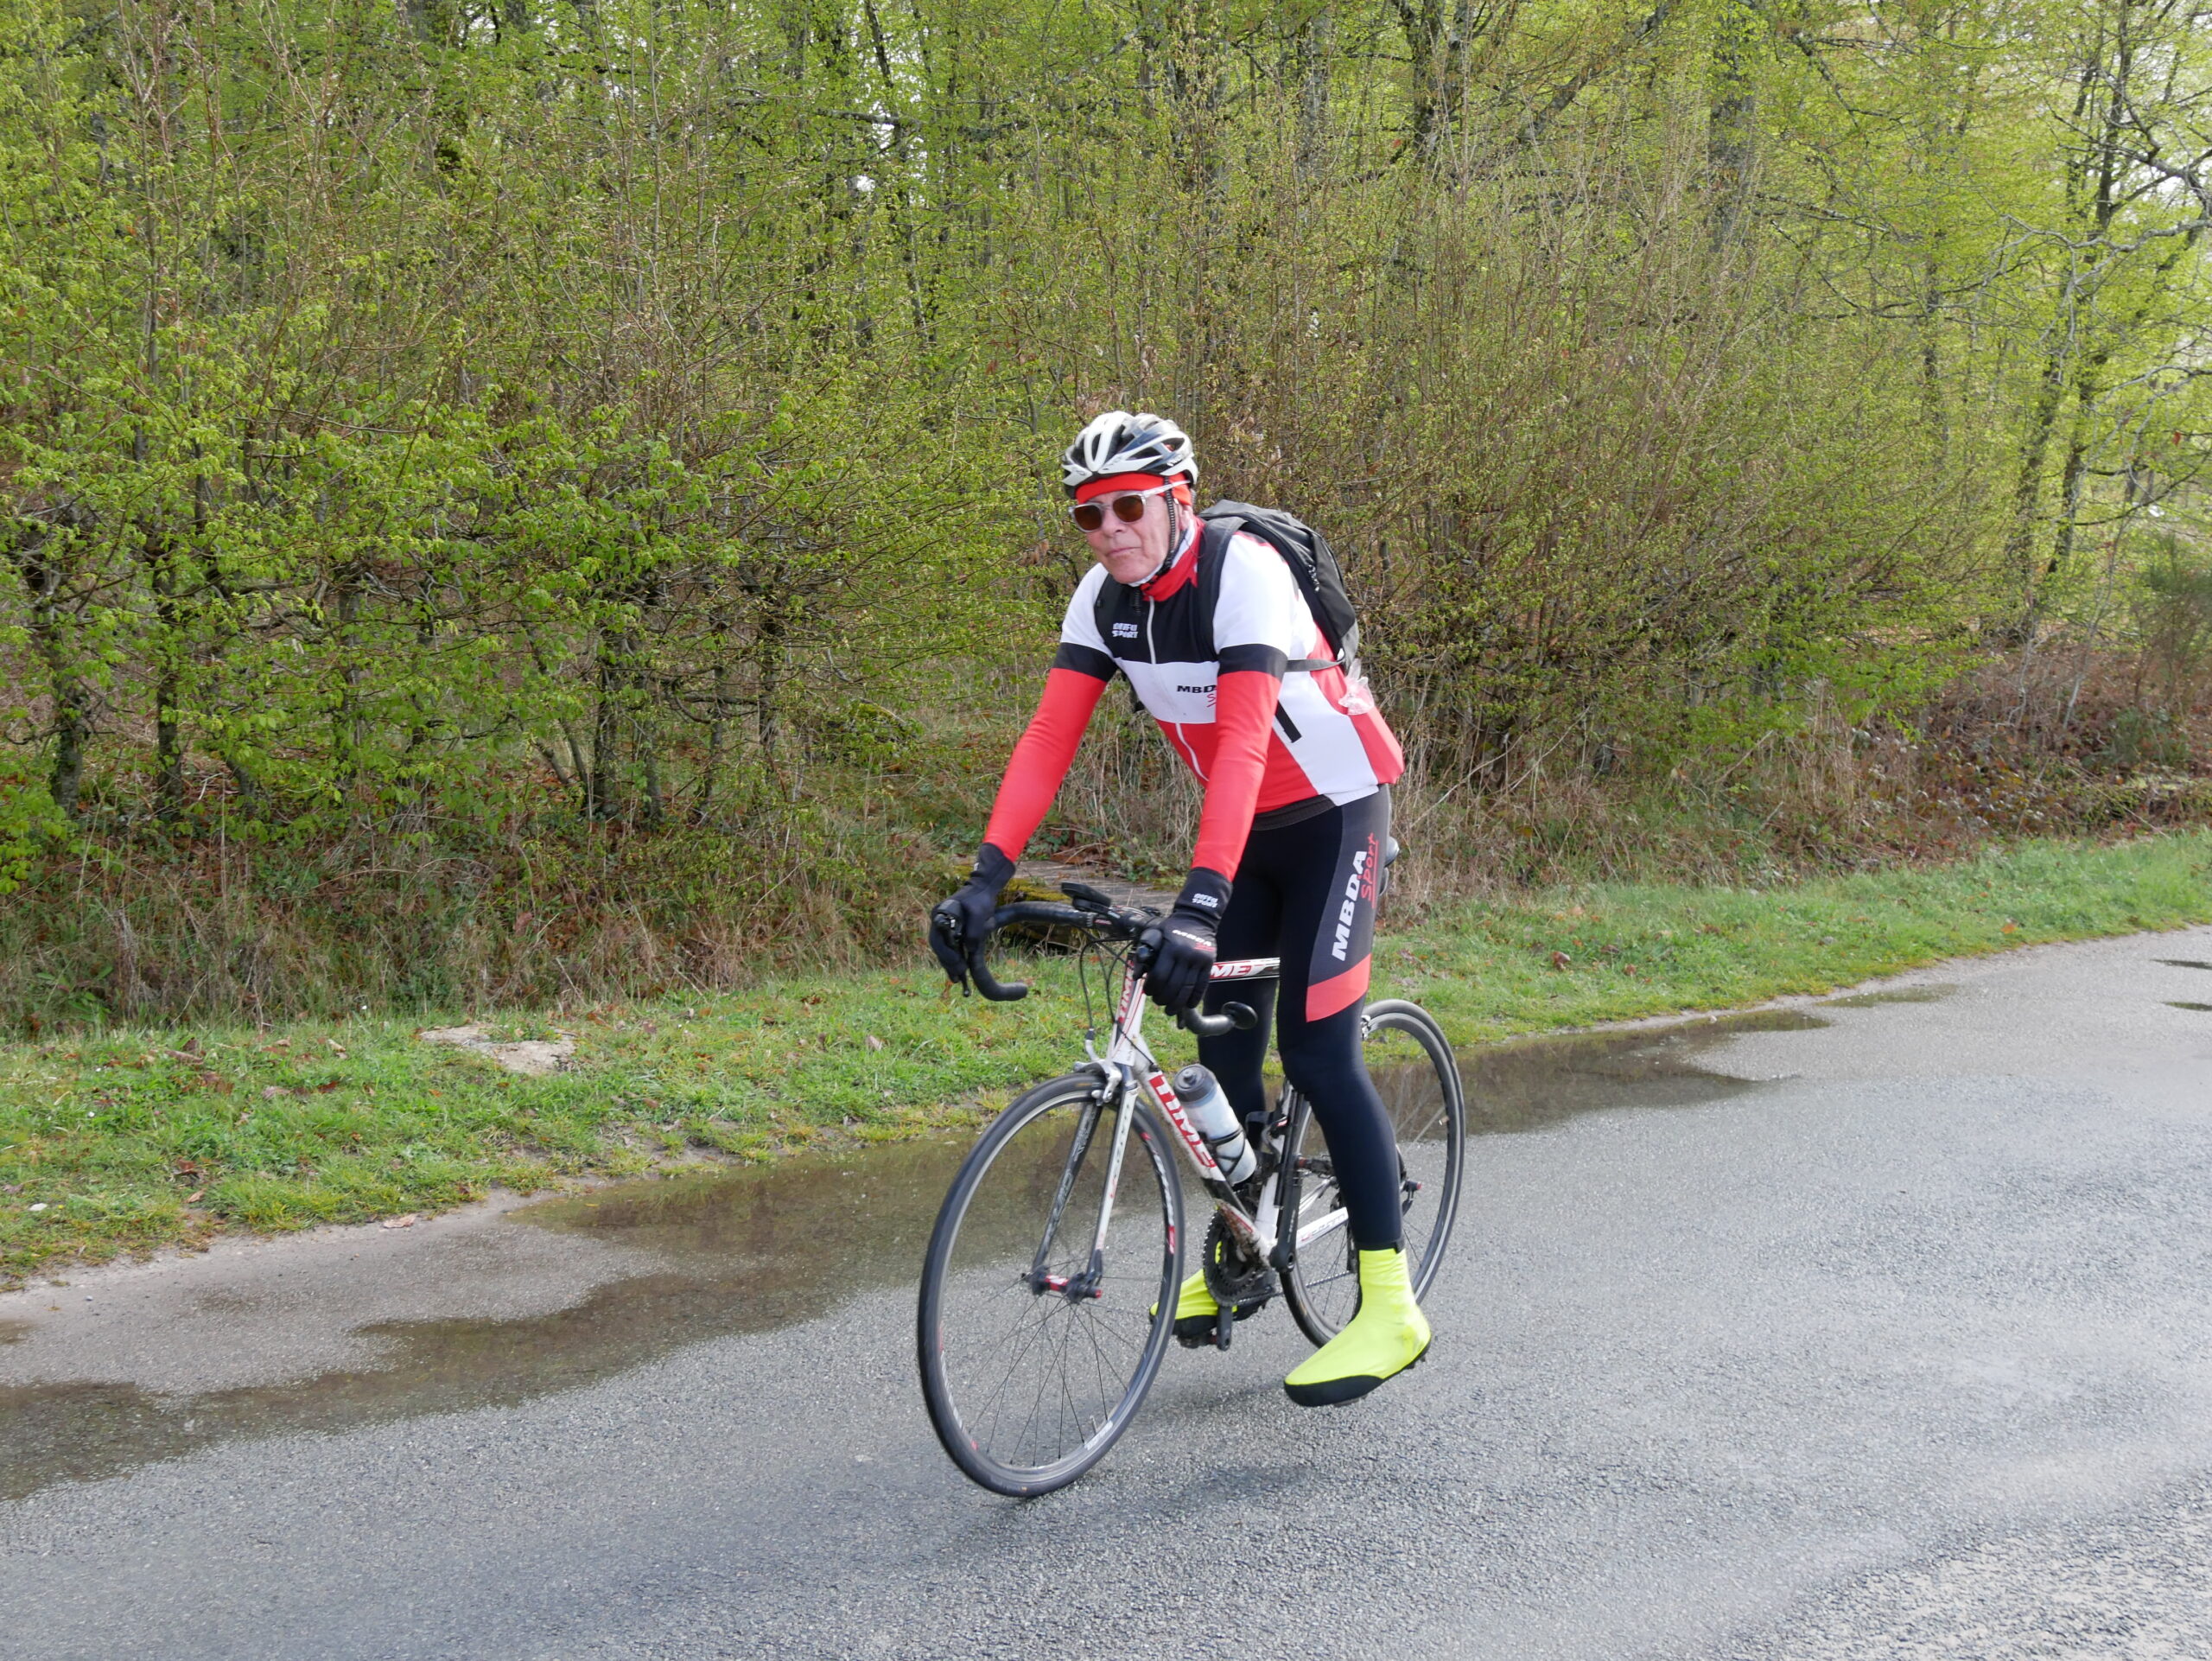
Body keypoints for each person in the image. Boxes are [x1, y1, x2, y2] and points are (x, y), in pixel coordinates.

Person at [929, 410, 1429, 1407]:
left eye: (1128, 505)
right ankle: (1245, 1247)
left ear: (1178, 498)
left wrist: (1197, 906)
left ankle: (1389, 1304)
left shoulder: (1243, 573)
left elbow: (1242, 742)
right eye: (1088, 514)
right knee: (1223, 1054)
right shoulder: (1103, 601)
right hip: (1248, 834)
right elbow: (1047, 737)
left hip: (1334, 816)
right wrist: (985, 876)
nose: (1109, 528)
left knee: (1318, 1051)